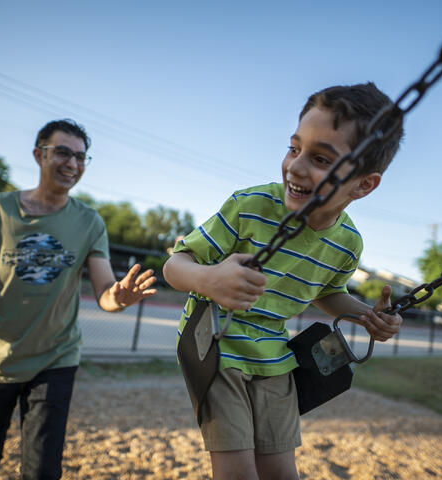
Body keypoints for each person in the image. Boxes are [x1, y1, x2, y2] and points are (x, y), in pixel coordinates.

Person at [163, 83, 404, 480]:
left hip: (275, 357)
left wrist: (369, 316)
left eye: (321, 159)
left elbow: (328, 294)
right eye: (294, 148)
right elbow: (175, 266)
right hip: (217, 347)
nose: (295, 166)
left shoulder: (347, 243)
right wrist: (210, 280)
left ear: (363, 184)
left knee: (280, 470)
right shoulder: (251, 206)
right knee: (238, 470)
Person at [0, 119, 157, 479]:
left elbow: (104, 292)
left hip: (55, 358)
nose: (73, 164)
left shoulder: (89, 222)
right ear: (39, 154)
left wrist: (119, 296)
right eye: (63, 153)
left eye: (82, 157)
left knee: (42, 470)